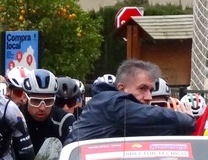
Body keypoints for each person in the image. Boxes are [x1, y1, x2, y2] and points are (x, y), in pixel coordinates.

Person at [67, 59, 196, 142]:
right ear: (122, 89)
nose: (149, 97)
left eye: (150, 90)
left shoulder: (124, 118)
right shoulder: (111, 103)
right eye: (142, 89)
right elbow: (159, 118)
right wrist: (187, 119)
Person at [21, 68, 73, 153]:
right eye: (36, 101)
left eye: (48, 101)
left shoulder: (64, 120)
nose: (42, 108)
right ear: (24, 97)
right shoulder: (14, 117)